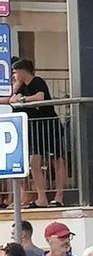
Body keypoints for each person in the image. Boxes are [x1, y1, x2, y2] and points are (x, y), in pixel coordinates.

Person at [13, 60, 66, 208]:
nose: (14, 75)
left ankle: (59, 195)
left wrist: (23, 99)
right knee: (34, 162)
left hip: (49, 125)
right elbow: (11, 99)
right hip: (35, 129)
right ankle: (41, 197)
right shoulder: (21, 86)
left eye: (16, 72)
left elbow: (40, 97)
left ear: (23, 71)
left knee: (57, 159)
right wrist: (16, 88)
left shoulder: (37, 81)